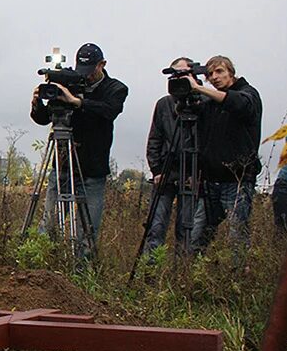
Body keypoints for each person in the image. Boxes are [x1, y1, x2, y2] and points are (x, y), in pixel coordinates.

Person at [30, 43, 129, 249]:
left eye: (91, 70)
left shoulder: (115, 89)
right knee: (49, 225)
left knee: (87, 230)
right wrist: (37, 104)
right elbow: (45, 118)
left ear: (102, 64)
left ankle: (81, 272)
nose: (86, 75)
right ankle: (42, 266)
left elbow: (108, 110)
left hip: (93, 169)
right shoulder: (68, 81)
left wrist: (76, 101)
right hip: (63, 166)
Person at [188, 55, 263, 256]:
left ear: (231, 72)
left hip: (236, 180)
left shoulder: (248, 94)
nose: (214, 77)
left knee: (236, 238)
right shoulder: (209, 103)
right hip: (210, 180)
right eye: (210, 74)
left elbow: (239, 104)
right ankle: (192, 278)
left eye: (219, 71)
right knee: (197, 236)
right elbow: (187, 115)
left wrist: (200, 89)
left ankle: (237, 281)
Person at [143, 57, 200, 256]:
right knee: (156, 226)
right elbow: (155, 138)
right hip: (166, 172)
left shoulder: (204, 102)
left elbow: (205, 142)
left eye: (184, 74)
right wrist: (156, 170)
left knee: (186, 230)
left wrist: (198, 172)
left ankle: (182, 274)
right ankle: (149, 273)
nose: (179, 79)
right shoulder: (164, 104)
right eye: (175, 74)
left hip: (192, 173)